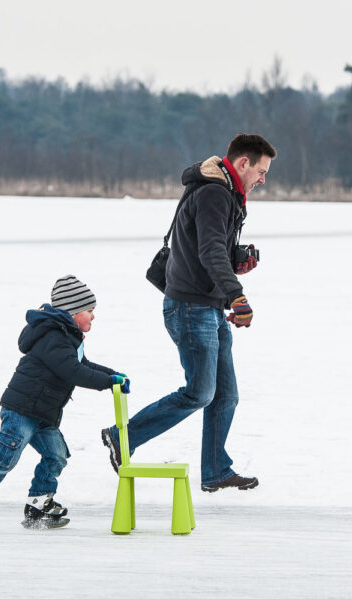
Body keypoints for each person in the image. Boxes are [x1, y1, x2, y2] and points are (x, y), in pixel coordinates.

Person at [101, 133, 276, 493]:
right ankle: (123, 437)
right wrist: (237, 296)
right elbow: (210, 251)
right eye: (260, 171)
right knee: (199, 392)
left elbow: (208, 249)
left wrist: (236, 262)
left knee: (225, 395)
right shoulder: (214, 192)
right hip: (190, 307)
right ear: (243, 162)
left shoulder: (223, 190)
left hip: (207, 305)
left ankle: (215, 471)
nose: (262, 179)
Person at [0, 275, 130, 534]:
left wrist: (113, 376)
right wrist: (107, 381)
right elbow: (72, 372)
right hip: (22, 411)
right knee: (4, 460)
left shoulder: (67, 336)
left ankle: (38, 504)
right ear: (72, 311)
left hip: (43, 413)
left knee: (56, 455)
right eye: (89, 310)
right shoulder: (53, 337)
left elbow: (82, 365)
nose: (93, 316)